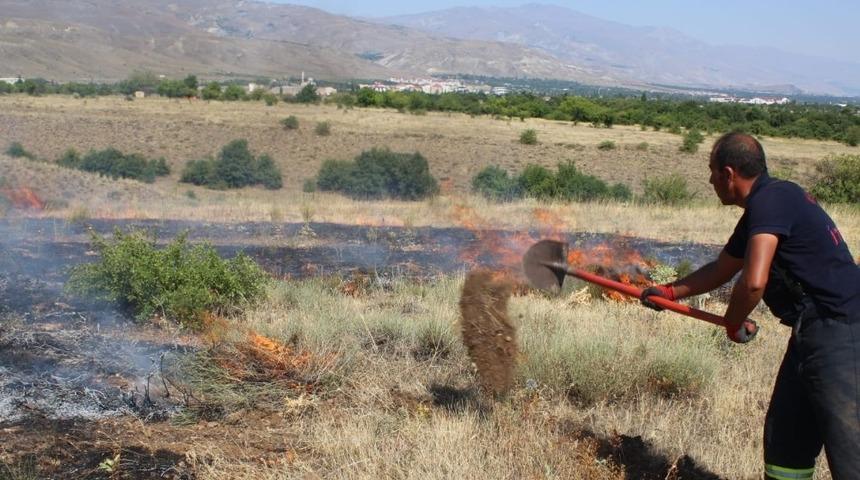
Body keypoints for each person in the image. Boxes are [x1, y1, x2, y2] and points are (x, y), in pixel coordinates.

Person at [641, 132, 860, 479]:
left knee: (851, 453)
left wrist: (733, 321)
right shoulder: (766, 206)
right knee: (786, 445)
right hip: (813, 332)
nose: (709, 179)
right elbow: (721, 269)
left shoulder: (771, 202)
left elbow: (753, 282)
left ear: (729, 174)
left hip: (843, 331)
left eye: (712, 171)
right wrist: (667, 293)